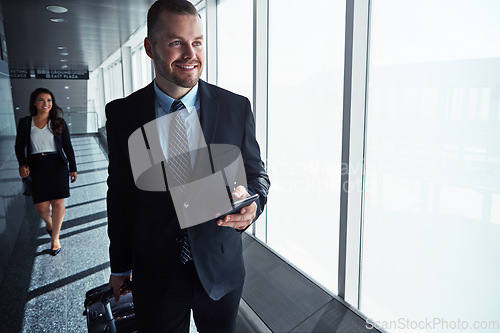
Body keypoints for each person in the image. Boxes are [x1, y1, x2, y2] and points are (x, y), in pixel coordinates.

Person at [105, 0, 270, 332]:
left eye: (197, 42)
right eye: (176, 42)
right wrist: (120, 265)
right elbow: (121, 194)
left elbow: (257, 175)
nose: (190, 53)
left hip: (220, 267)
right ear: (150, 47)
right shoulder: (124, 114)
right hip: (156, 271)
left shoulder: (235, 107)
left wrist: (253, 204)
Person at [15, 87, 77, 256]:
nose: (46, 103)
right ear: (34, 103)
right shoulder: (26, 123)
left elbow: (67, 147)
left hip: (57, 164)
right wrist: (22, 164)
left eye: (49, 100)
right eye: (41, 100)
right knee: (41, 209)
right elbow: (19, 146)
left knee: (58, 203)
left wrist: (73, 168)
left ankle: (55, 238)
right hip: (37, 165)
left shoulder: (59, 122)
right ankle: (50, 224)